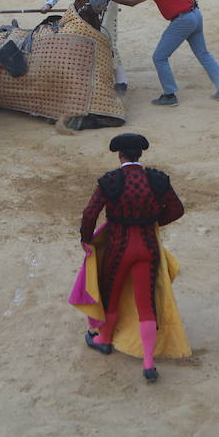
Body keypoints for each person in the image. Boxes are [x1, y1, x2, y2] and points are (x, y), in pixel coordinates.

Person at [77, 133, 186, 384]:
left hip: (119, 247)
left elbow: (90, 214)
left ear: (120, 155)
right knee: (146, 304)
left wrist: (86, 239)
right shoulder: (157, 180)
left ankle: (103, 340)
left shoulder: (111, 181)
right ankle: (148, 364)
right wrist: (152, 222)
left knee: (111, 296)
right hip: (147, 248)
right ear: (140, 155)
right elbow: (177, 209)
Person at [111, 0, 219, 106]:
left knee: (159, 57)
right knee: (203, 54)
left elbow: (133, 2)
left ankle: (169, 95)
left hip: (182, 21)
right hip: (195, 15)